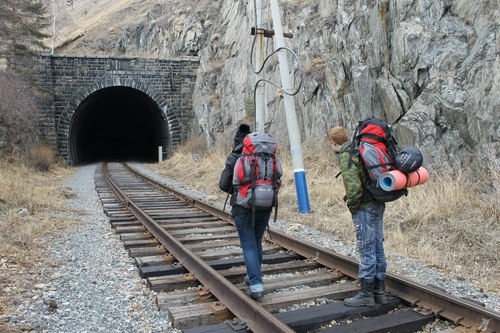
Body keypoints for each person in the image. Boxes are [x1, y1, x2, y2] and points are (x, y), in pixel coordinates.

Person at [328, 125, 388, 307]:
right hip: (378, 202)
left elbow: (353, 188)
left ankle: (366, 295)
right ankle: (380, 292)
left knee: (366, 249)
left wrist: (353, 207)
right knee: (378, 247)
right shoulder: (360, 149)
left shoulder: (346, 155)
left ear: (333, 142)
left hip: (365, 207)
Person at [218, 124, 270, 300]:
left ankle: (256, 285)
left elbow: (223, 184)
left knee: (248, 245)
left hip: (242, 207)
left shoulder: (234, 157)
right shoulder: (266, 154)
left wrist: (238, 190)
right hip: (265, 204)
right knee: (256, 242)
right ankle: (252, 276)